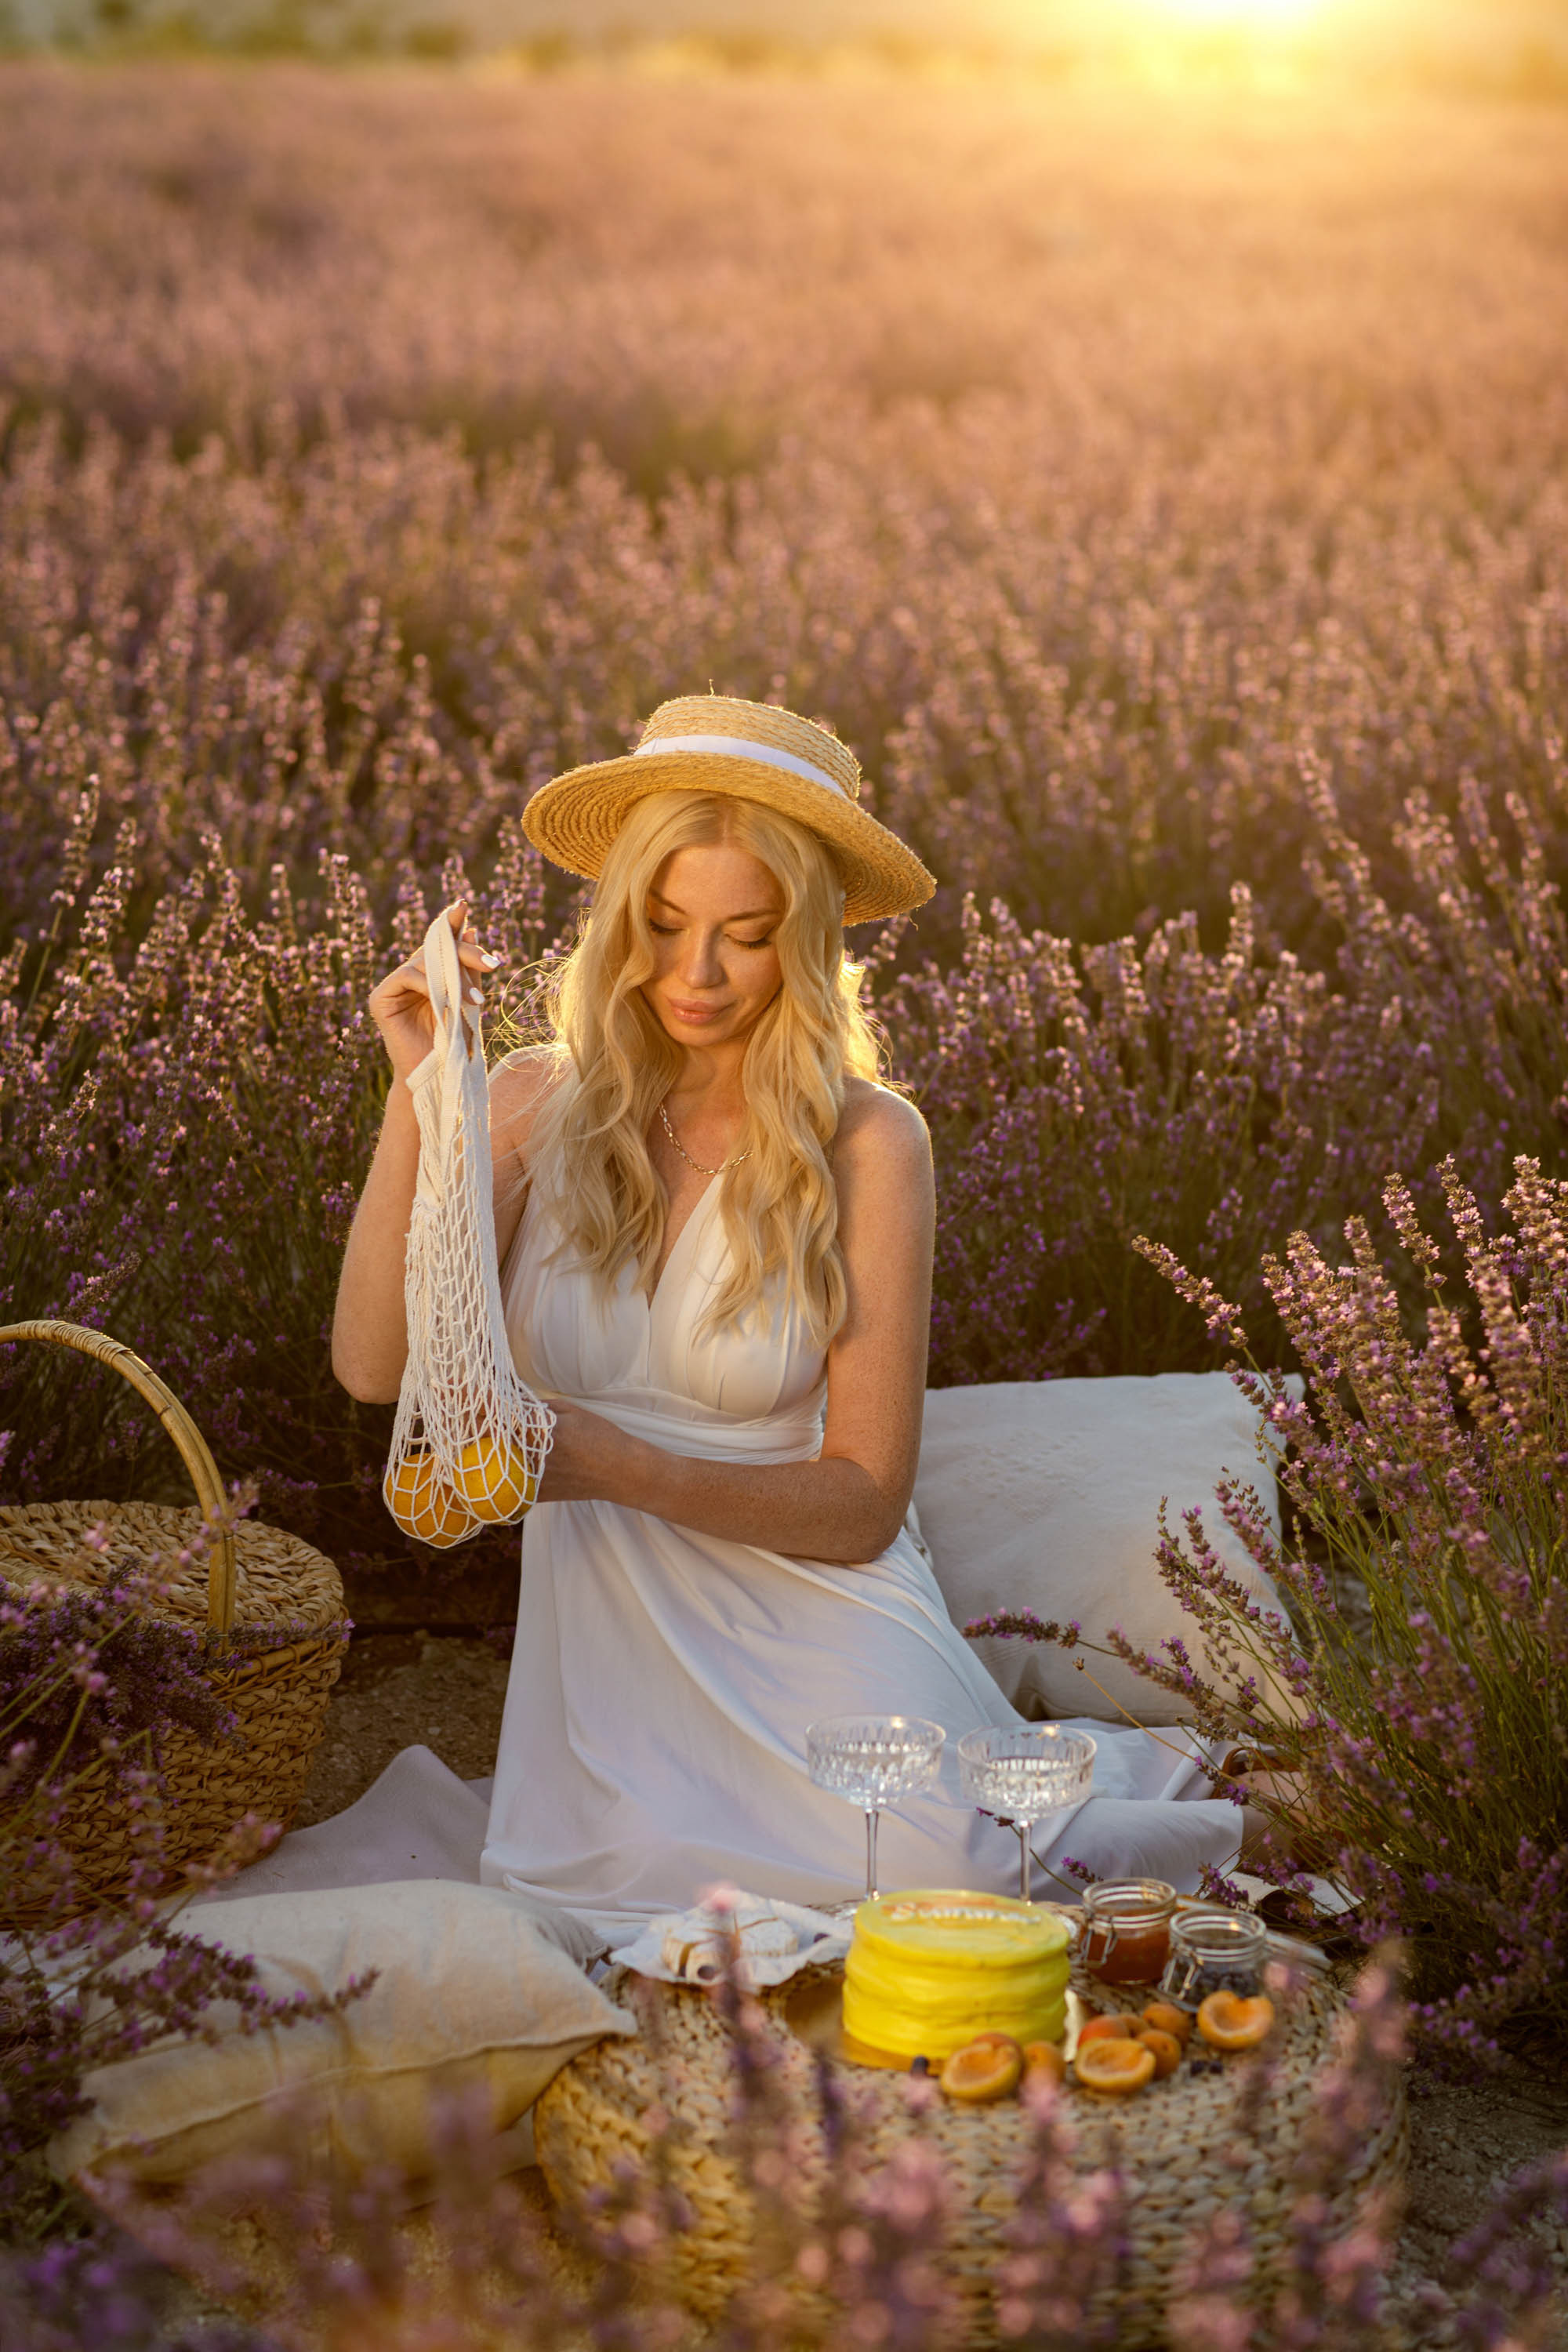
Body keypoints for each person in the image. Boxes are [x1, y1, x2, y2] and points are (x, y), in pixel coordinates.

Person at [332, 695, 1253, 1946]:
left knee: (938, 1878)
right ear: (618, 924)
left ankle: (1190, 1793)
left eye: (745, 935)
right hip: (612, 1666)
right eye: (662, 925)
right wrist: (423, 1099)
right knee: (626, 1892)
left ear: (804, 943)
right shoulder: (534, 1106)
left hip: (822, 1625)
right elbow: (377, 1369)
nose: (695, 974)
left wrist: (602, 1459)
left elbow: (865, 1498)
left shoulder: (869, 1139)